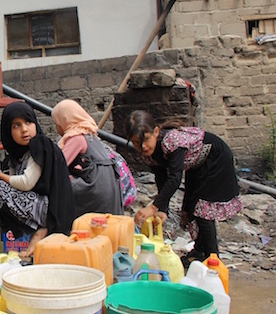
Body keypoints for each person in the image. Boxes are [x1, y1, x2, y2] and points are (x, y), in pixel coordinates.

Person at [124, 110, 242, 266]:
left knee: (203, 211)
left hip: (215, 159)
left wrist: (153, 207)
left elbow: (174, 179)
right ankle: (199, 250)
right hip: (196, 165)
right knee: (190, 206)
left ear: (156, 132)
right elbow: (162, 178)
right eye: (136, 143)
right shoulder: (149, 154)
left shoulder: (171, 142)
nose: (143, 146)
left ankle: (213, 258)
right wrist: (162, 210)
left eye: (145, 139)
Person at [0, 102, 76, 257]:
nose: (24, 129)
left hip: (53, 210)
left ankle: (41, 229)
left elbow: (26, 183)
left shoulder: (39, 145)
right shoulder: (16, 155)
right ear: (8, 131)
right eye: (16, 126)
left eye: (28, 122)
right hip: (39, 206)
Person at [51, 99, 124, 216]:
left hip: (95, 192)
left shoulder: (76, 138)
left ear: (64, 120)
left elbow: (57, 165)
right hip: (110, 192)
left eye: (57, 122)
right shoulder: (91, 135)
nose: (56, 127)